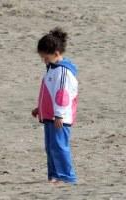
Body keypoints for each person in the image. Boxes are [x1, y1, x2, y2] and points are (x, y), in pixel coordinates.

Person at [32, 27, 78, 185]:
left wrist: (59, 114)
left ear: (56, 53)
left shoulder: (63, 72)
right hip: (49, 117)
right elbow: (48, 93)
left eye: (45, 57)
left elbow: (62, 95)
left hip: (59, 118)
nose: (44, 60)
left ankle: (66, 176)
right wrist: (40, 108)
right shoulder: (52, 70)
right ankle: (54, 175)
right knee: (50, 147)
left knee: (59, 146)